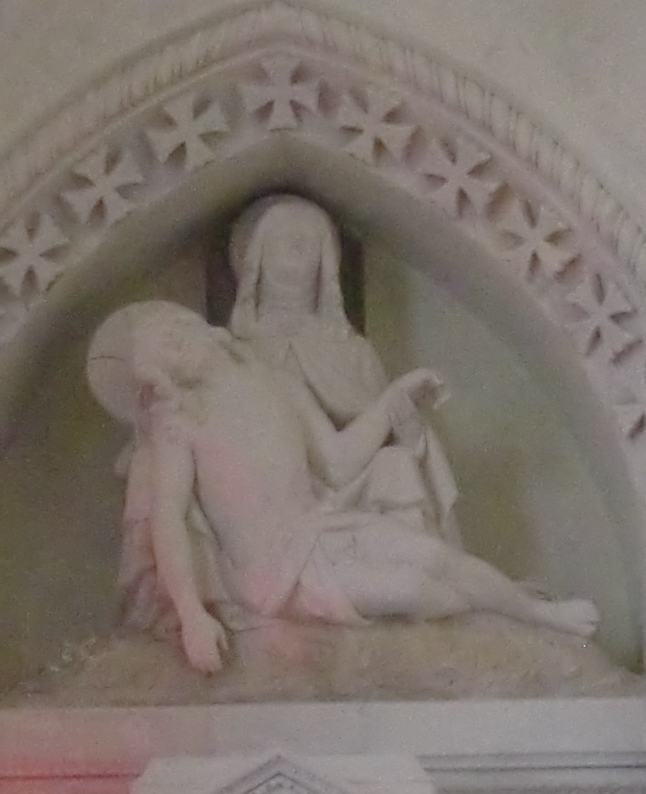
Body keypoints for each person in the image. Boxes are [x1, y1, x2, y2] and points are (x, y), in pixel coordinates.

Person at [87, 298, 599, 675]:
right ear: (159, 375)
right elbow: (169, 517)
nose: (181, 342)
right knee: (411, 588)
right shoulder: (180, 425)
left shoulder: (277, 385)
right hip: (277, 572)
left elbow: (337, 462)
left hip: (325, 526)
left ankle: (535, 613)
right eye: (166, 348)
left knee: (435, 556)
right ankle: (488, 609)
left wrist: (394, 400)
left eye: (178, 329)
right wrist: (192, 615)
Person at [227, 193, 458, 538]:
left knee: (395, 466)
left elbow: (386, 438)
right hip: (272, 496)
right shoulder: (235, 352)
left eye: (309, 239)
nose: (296, 244)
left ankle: (422, 566)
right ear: (253, 257)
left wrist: (411, 434)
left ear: (327, 262)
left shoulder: (352, 350)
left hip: (351, 490)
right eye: (281, 236)